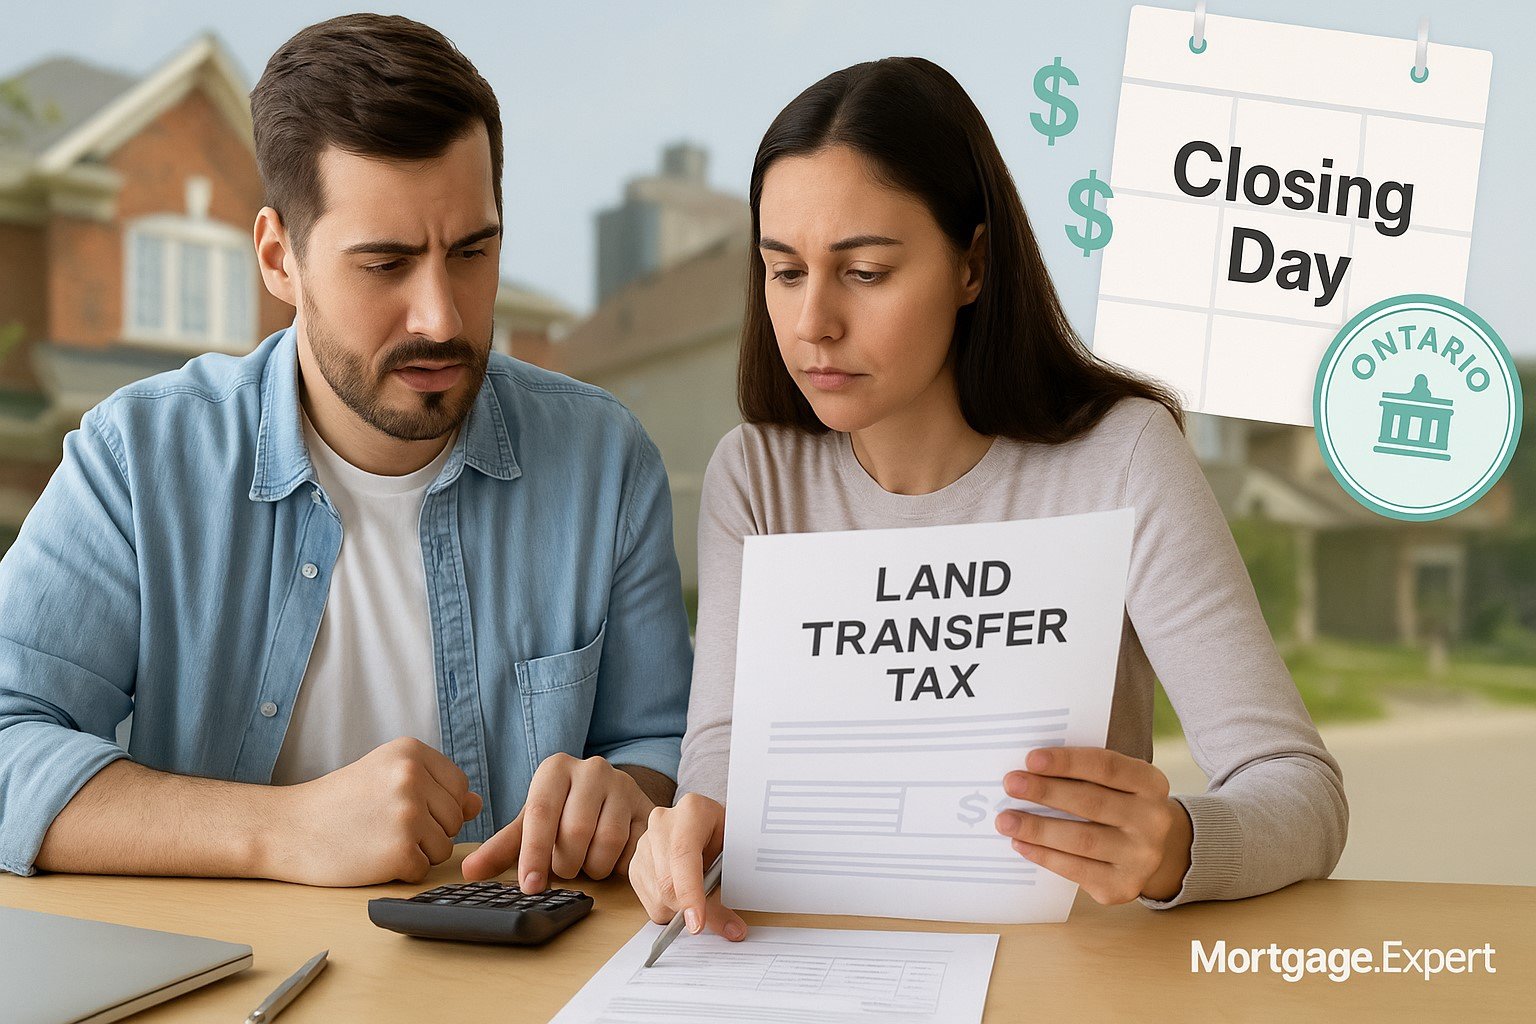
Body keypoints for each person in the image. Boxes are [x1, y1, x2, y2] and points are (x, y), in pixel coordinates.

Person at [629, 56, 1348, 939]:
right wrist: (696, 828)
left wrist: (1177, 845)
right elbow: (723, 752)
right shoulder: (756, 475)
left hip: (1061, 973)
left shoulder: (1121, 459)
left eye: (864, 272)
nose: (813, 320)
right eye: (784, 272)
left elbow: (1301, 789)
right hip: (812, 963)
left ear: (972, 264)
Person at [0, 14, 693, 891]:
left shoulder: (605, 461)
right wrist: (279, 830)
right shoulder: (138, 461)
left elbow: (663, 744)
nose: (441, 317)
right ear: (278, 258)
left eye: (472, 252)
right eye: (385, 264)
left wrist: (624, 796)